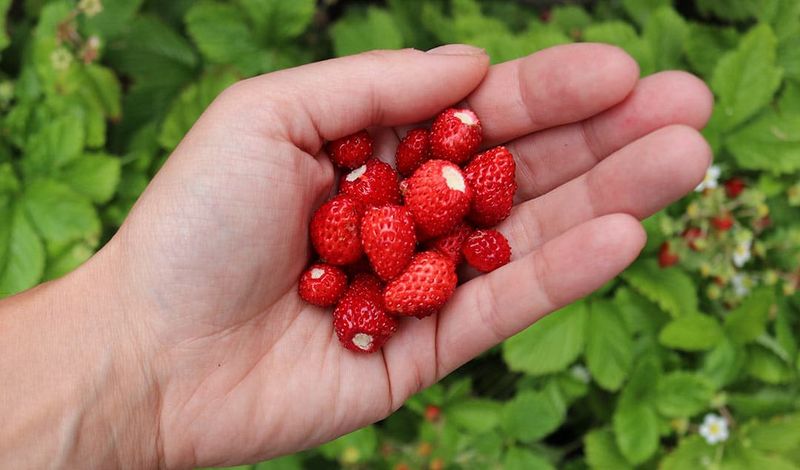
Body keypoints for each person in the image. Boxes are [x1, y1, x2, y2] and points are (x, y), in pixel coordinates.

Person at [0, 44, 713, 469]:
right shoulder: (373, 219)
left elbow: (414, 238)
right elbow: (377, 230)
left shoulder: (407, 212)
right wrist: (135, 346)